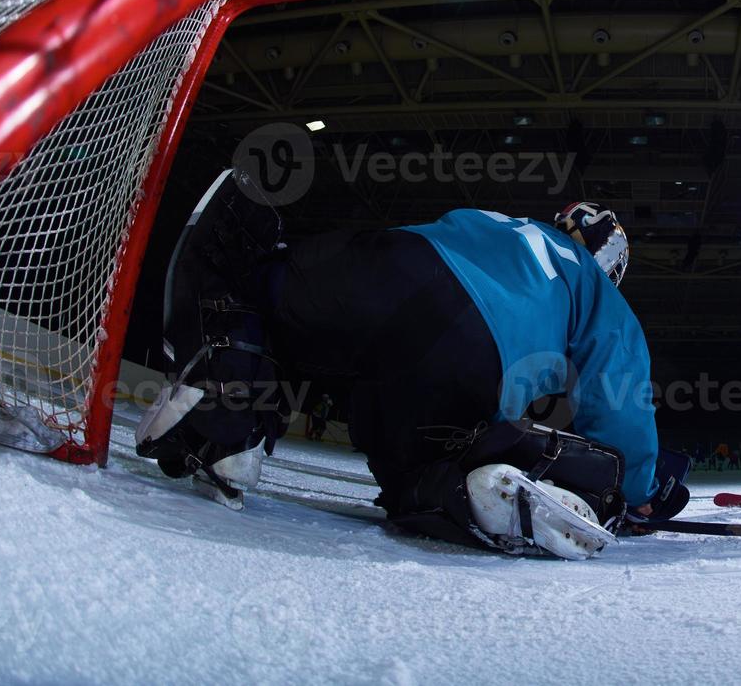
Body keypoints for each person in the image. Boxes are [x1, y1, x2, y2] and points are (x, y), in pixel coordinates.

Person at [137, 173, 688, 559]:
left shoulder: (498, 222)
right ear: (610, 264)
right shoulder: (597, 290)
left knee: (261, 285)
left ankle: (227, 416)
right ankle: (460, 490)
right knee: (417, 482)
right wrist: (635, 488)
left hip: (392, 268)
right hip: (470, 358)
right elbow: (617, 395)